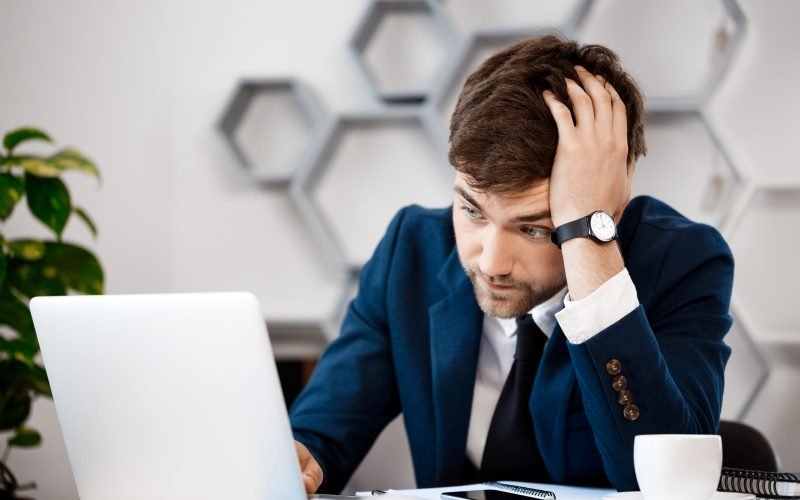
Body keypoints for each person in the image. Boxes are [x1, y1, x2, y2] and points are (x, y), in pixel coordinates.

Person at [290, 34, 733, 494]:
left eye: (534, 229)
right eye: (472, 211)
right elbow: (320, 431)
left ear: (614, 201)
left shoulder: (683, 262)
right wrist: (301, 457)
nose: (491, 263)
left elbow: (670, 484)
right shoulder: (412, 250)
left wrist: (588, 236)